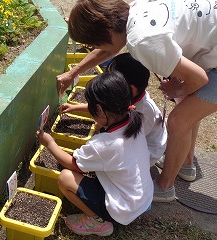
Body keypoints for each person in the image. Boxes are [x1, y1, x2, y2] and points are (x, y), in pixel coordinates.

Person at [57, 0, 217, 202]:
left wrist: (177, 88)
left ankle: (165, 187)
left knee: (179, 121)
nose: (98, 49)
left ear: (107, 31)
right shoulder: (131, 14)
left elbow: (199, 79)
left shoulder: (143, 40)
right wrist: (73, 73)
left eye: (96, 44)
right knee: (189, 107)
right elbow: (109, 47)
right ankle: (186, 164)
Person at [37, 71, 153, 237]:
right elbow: (104, 114)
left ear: (99, 109)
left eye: (90, 106)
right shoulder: (135, 119)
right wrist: (77, 107)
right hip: (141, 199)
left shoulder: (105, 144)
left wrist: (49, 143)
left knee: (65, 178)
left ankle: (97, 221)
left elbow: (71, 163)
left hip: (122, 209)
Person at [61, 52, 167, 167]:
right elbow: (106, 106)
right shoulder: (127, 96)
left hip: (147, 152)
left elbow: (131, 141)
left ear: (131, 88)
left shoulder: (145, 111)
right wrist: (74, 107)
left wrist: (104, 137)